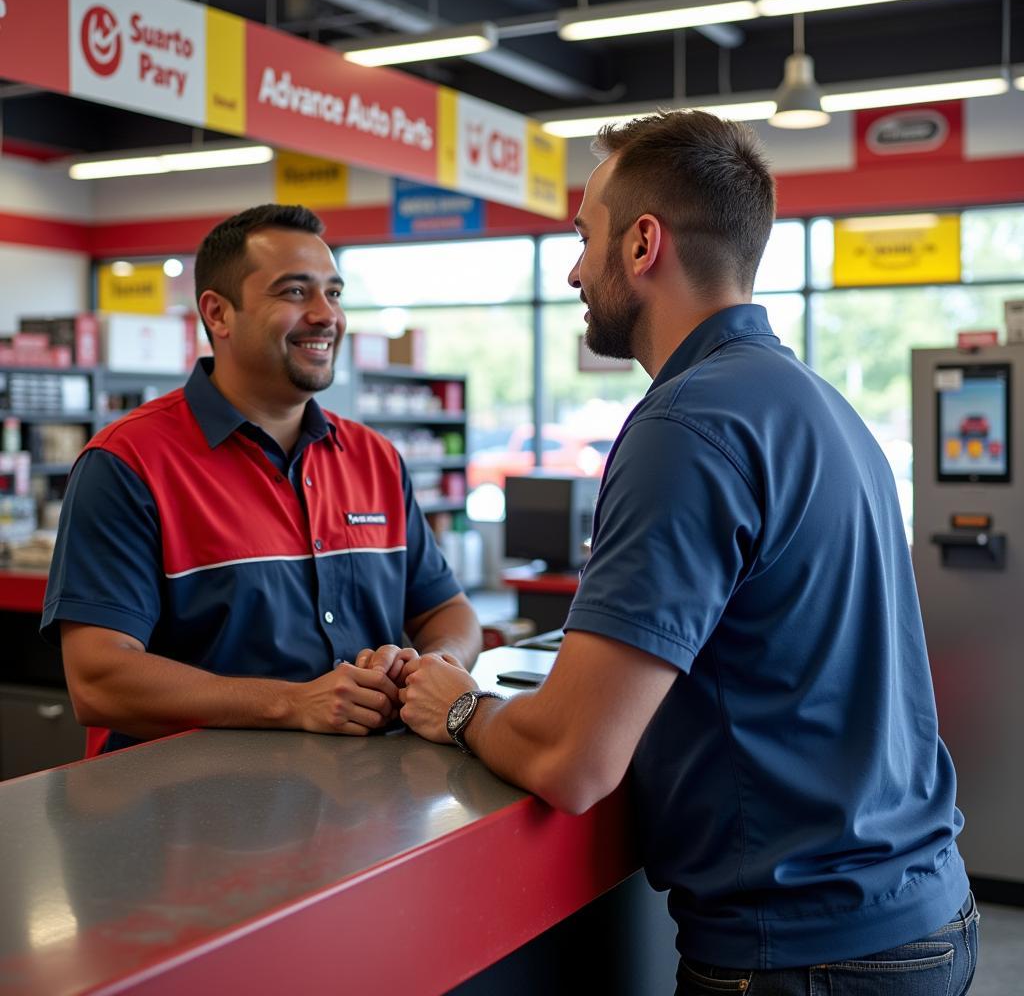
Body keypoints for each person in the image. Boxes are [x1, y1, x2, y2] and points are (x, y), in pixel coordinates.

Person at [398, 112, 978, 994]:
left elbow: (574, 762)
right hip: (922, 915)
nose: (572, 269)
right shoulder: (816, 403)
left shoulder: (684, 427)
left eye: (584, 237)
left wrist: (458, 709)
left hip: (806, 950)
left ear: (642, 244)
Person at [42, 204, 480, 757]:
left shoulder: (376, 459)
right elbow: (100, 680)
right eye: (295, 292)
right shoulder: (127, 463)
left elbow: (451, 613)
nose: (327, 316)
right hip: (183, 816)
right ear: (219, 314)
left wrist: (430, 670)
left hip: (362, 802)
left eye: (335, 293)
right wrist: (294, 703)